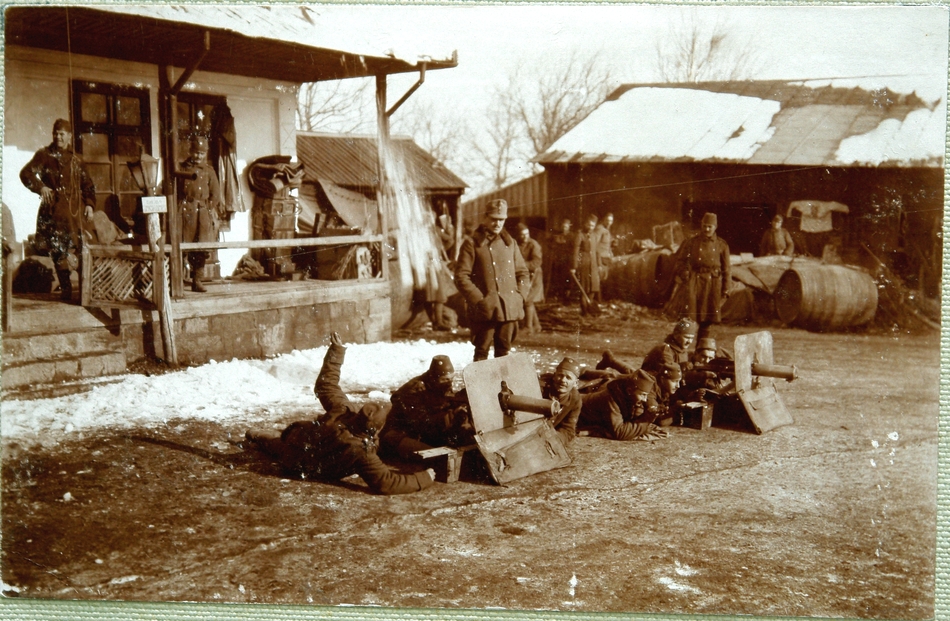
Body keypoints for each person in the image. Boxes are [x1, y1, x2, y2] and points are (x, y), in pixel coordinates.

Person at [245, 332, 436, 495]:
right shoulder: (361, 451)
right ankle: (259, 436)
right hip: (303, 464)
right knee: (277, 448)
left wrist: (336, 351)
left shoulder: (344, 411)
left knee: (274, 443)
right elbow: (387, 482)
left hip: (300, 439)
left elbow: (326, 385)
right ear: (374, 431)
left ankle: (256, 435)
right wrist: (424, 478)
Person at [20, 119, 96, 302]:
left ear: (69, 136)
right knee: (57, 249)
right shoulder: (44, 155)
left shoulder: (77, 160)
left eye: (62, 134)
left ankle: (85, 290)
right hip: (52, 210)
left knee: (79, 248)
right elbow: (26, 173)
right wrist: (41, 187)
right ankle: (66, 288)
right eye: (56, 133)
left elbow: (88, 185)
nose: (58, 137)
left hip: (74, 212)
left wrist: (89, 205)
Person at [455, 199, 528, 361]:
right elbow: (461, 276)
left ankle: (502, 380)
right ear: (485, 217)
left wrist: (520, 297)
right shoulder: (472, 244)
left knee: (504, 354)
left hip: (508, 309)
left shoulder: (510, 243)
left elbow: (523, 273)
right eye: (494, 219)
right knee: (482, 353)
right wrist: (479, 300)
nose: (497, 223)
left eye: (501, 219)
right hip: (485, 310)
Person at [381, 355, 472, 459]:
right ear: (434, 377)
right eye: (445, 379)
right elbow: (421, 422)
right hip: (399, 435)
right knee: (439, 458)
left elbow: (446, 401)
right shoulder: (415, 390)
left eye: (451, 378)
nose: (449, 383)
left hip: (421, 432)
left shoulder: (439, 383)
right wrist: (450, 415)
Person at [674, 212, 731, 339]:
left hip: (712, 284)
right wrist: (684, 273)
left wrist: (726, 288)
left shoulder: (721, 245)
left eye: (710, 226)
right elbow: (680, 261)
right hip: (694, 281)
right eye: (704, 226)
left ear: (715, 227)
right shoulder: (691, 242)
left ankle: (702, 347)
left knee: (707, 320)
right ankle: (681, 344)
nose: (707, 229)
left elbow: (727, 269)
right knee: (689, 317)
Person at [177, 135, 223, 292]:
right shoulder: (182, 169)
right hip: (184, 214)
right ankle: (178, 281)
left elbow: (216, 194)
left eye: (202, 153)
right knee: (182, 246)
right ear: (190, 151)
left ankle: (197, 281)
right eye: (196, 152)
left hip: (202, 215)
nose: (198, 156)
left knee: (201, 249)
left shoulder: (209, 171)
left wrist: (207, 208)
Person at [578, 369, 668, 441]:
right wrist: (645, 420)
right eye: (642, 395)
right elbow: (619, 432)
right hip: (576, 413)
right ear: (629, 391)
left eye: (646, 395)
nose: (644, 399)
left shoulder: (627, 394)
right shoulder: (611, 398)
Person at [539, 357, 583, 444]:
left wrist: (555, 439)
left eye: (568, 378)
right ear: (554, 376)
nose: (563, 380)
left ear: (576, 383)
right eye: (560, 375)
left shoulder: (575, 399)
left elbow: (568, 430)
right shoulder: (540, 387)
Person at [571, 214, 601, 316]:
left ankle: (589, 308)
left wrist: (599, 264)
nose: (590, 227)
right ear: (585, 224)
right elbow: (575, 252)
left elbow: (597, 251)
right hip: (584, 265)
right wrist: (574, 266)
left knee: (593, 288)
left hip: (593, 266)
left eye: (593, 225)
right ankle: (584, 311)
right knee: (584, 288)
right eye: (589, 225)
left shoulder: (594, 235)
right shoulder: (580, 235)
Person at [517, 222, 543, 334]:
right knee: (529, 301)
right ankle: (536, 326)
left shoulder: (534, 245)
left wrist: (521, 265)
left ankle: (528, 327)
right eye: (522, 235)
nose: (525, 237)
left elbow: (537, 262)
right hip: (524, 276)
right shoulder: (516, 244)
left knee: (528, 300)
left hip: (535, 276)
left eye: (527, 234)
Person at [545, 218, 573, 302]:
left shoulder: (571, 236)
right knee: (557, 278)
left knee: (567, 279)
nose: (564, 228)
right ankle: (557, 295)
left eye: (566, 227)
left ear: (569, 227)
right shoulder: (557, 235)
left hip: (567, 261)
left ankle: (566, 296)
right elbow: (549, 243)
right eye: (563, 226)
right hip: (557, 260)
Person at [594, 212, 615, 290]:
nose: (609, 223)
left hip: (606, 259)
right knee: (599, 281)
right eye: (607, 220)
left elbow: (606, 245)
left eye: (611, 221)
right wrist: (598, 262)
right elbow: (595, 246)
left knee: (604, 280)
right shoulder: (599, 229)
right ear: (603, 220)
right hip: (600, 259)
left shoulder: (607, 230)